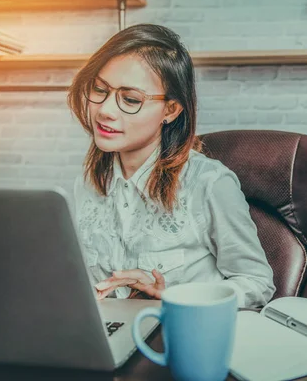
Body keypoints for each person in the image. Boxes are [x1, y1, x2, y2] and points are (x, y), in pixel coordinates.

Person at [67, 24, 275, 309]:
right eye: (99, 89)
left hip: (182, 336)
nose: (104, 110)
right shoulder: (88, 184)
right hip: (109, 337)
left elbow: (257, 282)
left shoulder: (209, 183)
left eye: (130, 99)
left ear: (170, 110)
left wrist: (174, 296)